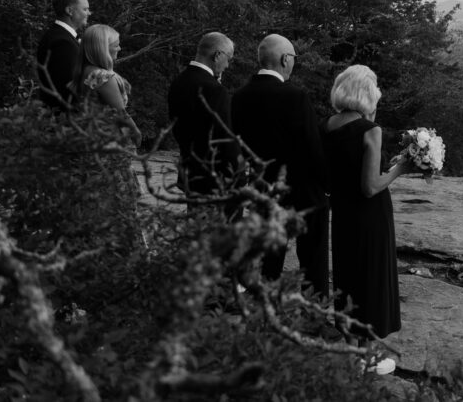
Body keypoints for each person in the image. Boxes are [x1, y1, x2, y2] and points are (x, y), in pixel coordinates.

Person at [320, 64, 409, 376]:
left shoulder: (327, 125)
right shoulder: (370, 130)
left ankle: (353, 346)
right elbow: (371, 186)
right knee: (371, 280)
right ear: (367, 96)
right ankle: (368, 357)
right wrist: (401, 168)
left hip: (343, 213)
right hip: (370, 217)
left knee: (348, 277)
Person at [231, 34, 329, 291]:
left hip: (264, 185)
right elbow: (312, 147)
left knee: (270, 257)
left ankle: (265, 307)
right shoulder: (295, 96)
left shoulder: (239, 97)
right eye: (294, 58)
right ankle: (313, 308)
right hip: (303, 189)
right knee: (312, 256)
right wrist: (326, 183)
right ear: (285, 59)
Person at [168, 32, 239, 198]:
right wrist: (239, 178)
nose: (228, 65)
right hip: (216, 181)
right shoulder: (214, 89)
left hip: (190, 174)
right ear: (217, 55)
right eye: (229, 58)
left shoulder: (179, 82)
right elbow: (225, 139)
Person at [71, 24, 142, 146]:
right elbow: (120, 112)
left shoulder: (85, 70)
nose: (119, 48)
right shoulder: (102, 76)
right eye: (116, 45)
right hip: (106, 138)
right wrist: (135, 131)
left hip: (87, 135)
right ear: (103, 49)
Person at [35, 0, 90, 110]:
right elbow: (68, 86)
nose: (88, 13)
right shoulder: (63, 42)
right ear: (70, 11)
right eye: (85, 9)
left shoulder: (57, 35)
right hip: (63, 118)